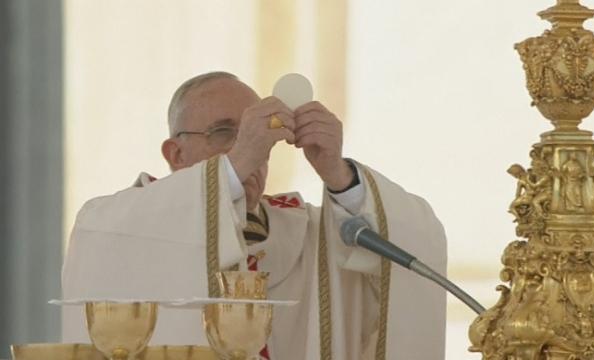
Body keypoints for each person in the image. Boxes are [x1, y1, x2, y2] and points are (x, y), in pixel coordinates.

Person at [62, 72, 447, 359]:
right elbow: (111, 240)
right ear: (176, 154)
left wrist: (341, 176)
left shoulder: (308, 234)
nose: (254, 146)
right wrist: (235, 162)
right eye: (225, 132)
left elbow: (417, 243)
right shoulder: (117, 223)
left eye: (258, 131)